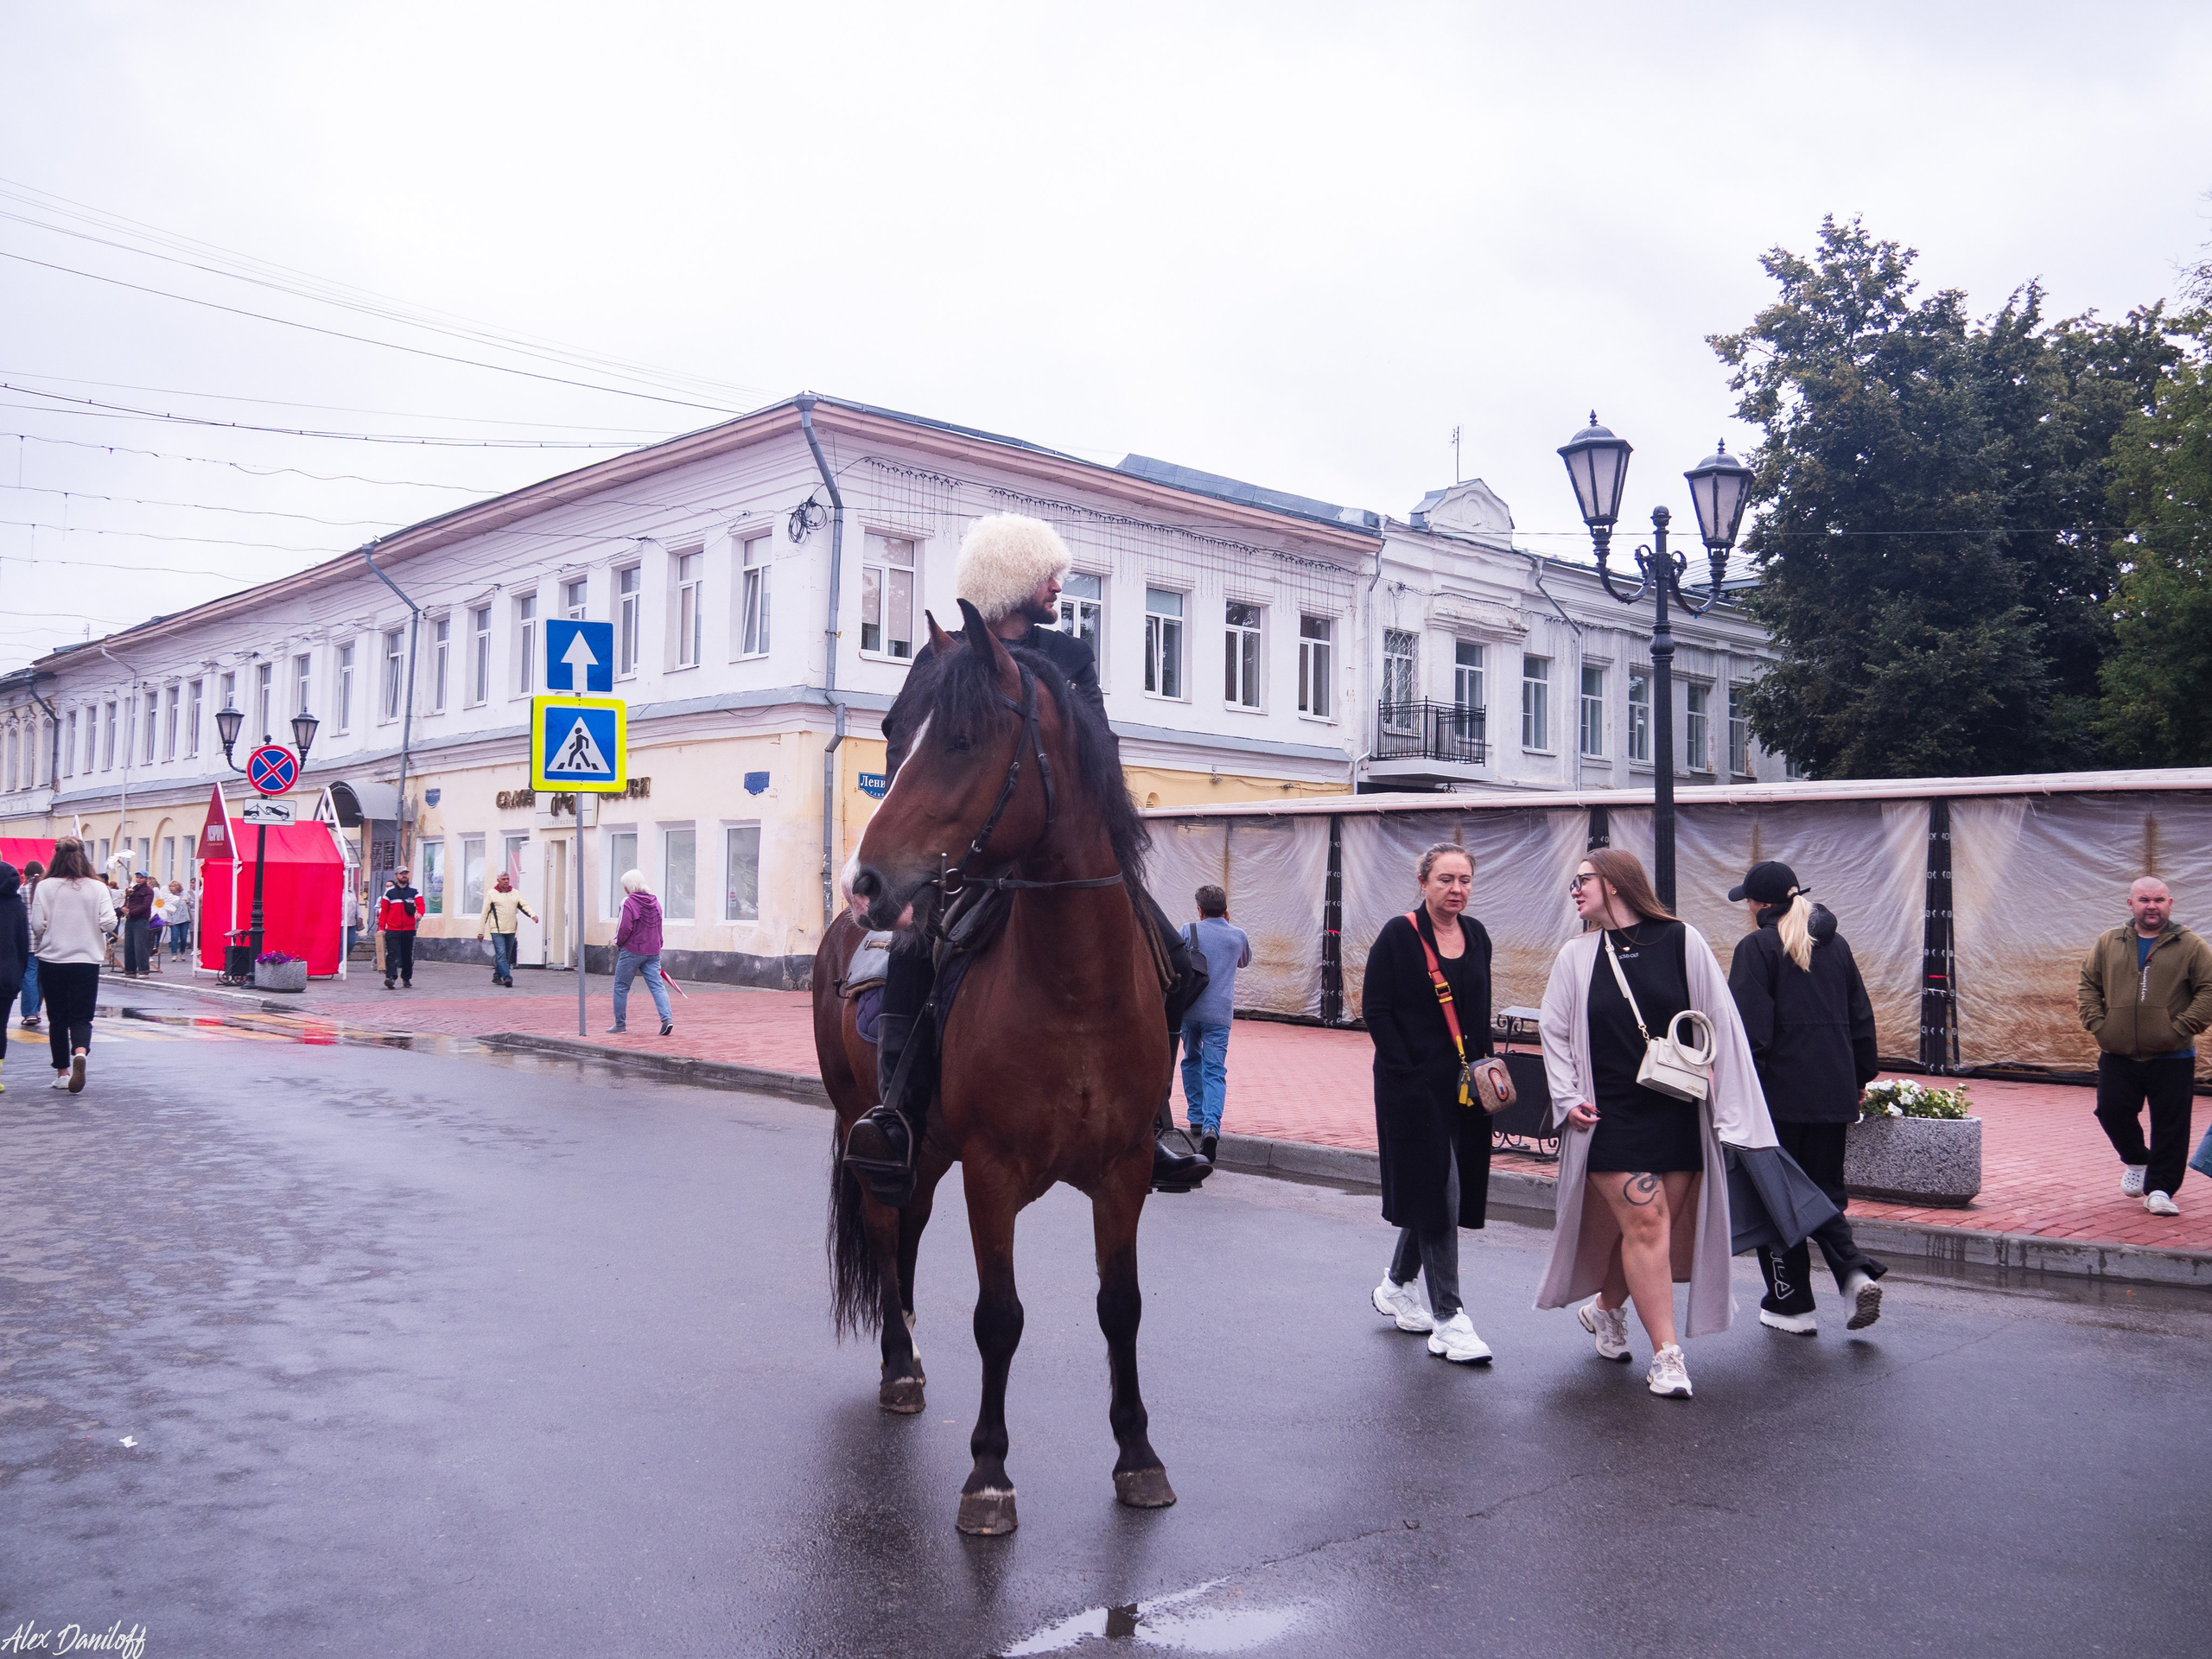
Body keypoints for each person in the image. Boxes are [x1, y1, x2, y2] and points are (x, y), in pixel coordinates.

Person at [847, 512, 1208, 1202]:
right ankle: (895, 1112)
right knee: (916, 951)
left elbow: (1099, 747)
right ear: (1012, 578)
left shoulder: (1069, 656)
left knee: (1176, 960)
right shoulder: (944, 658)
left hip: (1060, 853)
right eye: (1047, 573)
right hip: (975, 855)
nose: (1057, 584)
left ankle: (1151, 1119)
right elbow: (906, 742)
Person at [1535, 848, 1778, 1400]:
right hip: (1607, 1115)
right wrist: (1567, 1098)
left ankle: (1605, 1310)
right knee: (1647, 1220)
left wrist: (1733, 1109)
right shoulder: (1576, 955)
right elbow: (1554, 1032)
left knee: (1650, 1230)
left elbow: (1722, 1021)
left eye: (1584, 881)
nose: (1574, 890)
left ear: (1616, 884)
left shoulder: (1681, 940)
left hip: (1677, 1110)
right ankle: (1668, 1356)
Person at [1724, 861, 1887, 1333]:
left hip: (1776, 1100)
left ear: (1760, 904)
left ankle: (1790, 1304)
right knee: (1823, 1193)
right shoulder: (1836, 946)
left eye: (1749, 900)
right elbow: (1862, 1018)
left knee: (1774, 1200)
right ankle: (1852, 1274)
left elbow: (1748, 1032)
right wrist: (1858, 1078)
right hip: (1833, 1094)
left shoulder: (1757, 948)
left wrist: (1738, 1094)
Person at [1363, 843, 1506, 1364]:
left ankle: (1396, 1285)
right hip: (1411, 1087)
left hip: (1465, 1088)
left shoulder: (1479, 936)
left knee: (1439, 1187)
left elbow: (1480, 1010)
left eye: (1465, 880)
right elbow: (1375, 1010)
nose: (1457, 890)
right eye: (1446, 879)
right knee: (1440, 1190)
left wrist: (1487, 1069)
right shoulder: (1399, 935)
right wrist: (1409, 1069)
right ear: (1422, 882)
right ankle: (1450, 1318)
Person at [2076, 876, 2212, 1218]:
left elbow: (2209, 990)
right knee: (2112, 1111)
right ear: (2131, 903)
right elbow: (2089, 985)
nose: (2152, 906)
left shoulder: (2191, 945)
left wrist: (2181, 1028)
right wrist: (2099, 1026)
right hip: (2117, 1052)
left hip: (2173, 1054)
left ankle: (2161, 1190)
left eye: (2159, 899)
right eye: (2144, 899)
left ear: (2170, 903)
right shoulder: (2109, 942)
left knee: (2171, 1125)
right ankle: (2137, 1158)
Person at [29, 837, 116, 1093]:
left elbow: (37, 926)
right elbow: (109, 923)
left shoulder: (45, 887)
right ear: (83, 857)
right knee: (82, 1016)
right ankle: (80, 1053)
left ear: (56, 857)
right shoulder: (97, 887)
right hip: (86, 960)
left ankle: (62, 1073)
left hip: (52, 960)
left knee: (57, 1018)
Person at [1179, 886, 1250, 1161]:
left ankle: (1195, 1118)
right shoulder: (1238, 936)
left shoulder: (1188, 930)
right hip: (1220, 1015)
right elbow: (1244, 962)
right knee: (1215, 1069)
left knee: (1190, 1059)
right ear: (1225, 908)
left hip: (1190, 1009)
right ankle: (1211, 1126)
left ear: (1199, 909)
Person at [608, 869, 673, 1036]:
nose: (624, 889)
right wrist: (658, 945)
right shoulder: (655, 901)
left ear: (629, 887)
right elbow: (659, 926)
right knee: (657, 986)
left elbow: (624, 927)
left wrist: (619, 943)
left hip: (632, 950)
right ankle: (667, 1020)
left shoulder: (628, 903)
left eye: (625, 886)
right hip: (653, 951)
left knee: (621, 987)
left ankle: (620, 1025)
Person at [478, 872, 535, 988]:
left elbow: (524, 905)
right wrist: (480, 932)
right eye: (503, 879)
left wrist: (532, 915)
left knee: (506, 955)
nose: (506, 881)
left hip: (511, 929)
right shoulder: (492, 894)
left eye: (507, 879)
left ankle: (497, 976)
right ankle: (507, 977)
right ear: (498, 880)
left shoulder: (515, 893)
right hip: (497, 930)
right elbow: (484, 914)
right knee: (501, 954)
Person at [0, 862, 26, 1091]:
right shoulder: (17, 905)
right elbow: (22, 943)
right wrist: (18, 975)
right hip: (6, 976)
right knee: (0, 1026)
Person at [380, 867, 425, 989]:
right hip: (392, 929)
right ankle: (391, 978)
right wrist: (381, 927)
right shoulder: (389, 892)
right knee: (392, 954)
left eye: (406, 873)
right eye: (401, 874)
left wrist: (420, 913)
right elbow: (384, 911)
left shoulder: (414, 891)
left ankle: (406, 978)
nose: (404, 875)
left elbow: (421, 904)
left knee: (407, 955)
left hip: (408, 929)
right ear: (396, 876)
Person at [18, 860, 41, 1030]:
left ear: (25, 875)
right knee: (41, 979)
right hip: (47, 942)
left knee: (29, 977)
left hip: (28, 941)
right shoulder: (47, 891)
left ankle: (30, 1012)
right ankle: (37, 1010)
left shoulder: (22, 892)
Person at [121, 870, 156, 977]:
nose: (139, 879)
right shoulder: (133, 889)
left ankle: (144, 970)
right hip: (130, 920)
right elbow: (127, 902)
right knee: (129, 946)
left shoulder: (148, 891)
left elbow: (145, 906)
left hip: (141, 920)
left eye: (141, 877)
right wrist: (124, 907)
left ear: (146, 879)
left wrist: (131, 912)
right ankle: (130, 970)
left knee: (140, 946)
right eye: (137, 877)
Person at [166, 879, 193, 960]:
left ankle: (182, 953)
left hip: (184, 919)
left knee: (184, 937)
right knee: (174, 937)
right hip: (174, 919)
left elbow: (192, 903)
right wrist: (168, 920)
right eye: (170, 886)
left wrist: (188, 902)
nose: (171, 888)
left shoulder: (185, 894)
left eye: (173, 886)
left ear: (177, 887)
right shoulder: (169, 896)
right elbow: (168, 910)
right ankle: (174, 954)